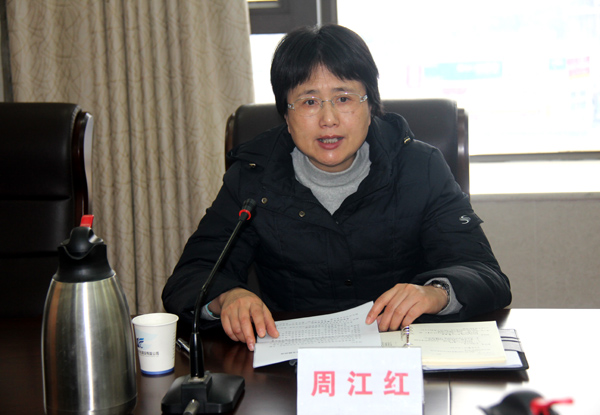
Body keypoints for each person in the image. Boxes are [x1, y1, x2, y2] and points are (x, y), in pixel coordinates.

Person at [162, 24, 511, 351]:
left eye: (343, 98)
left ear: (370, 105)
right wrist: (227, 297)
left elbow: (483, 273)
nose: (328, 119)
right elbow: (191, 276)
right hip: (291, 364)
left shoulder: (420, 167)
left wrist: (435, 293)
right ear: (286, 115)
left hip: (400, 356)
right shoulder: (254, 177)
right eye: (309, 101)